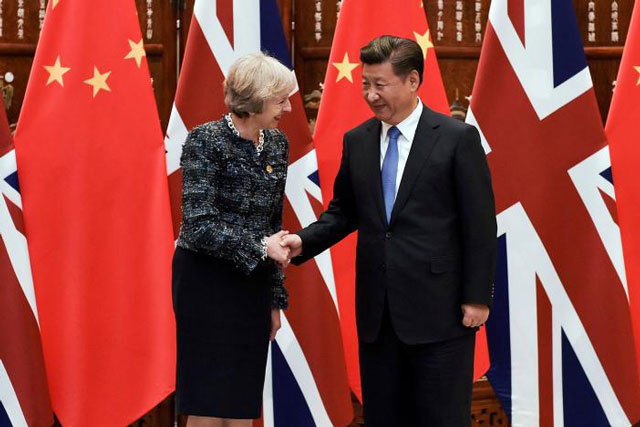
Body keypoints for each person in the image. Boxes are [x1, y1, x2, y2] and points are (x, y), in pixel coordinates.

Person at [281, 35, 497, 426]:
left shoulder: (456, 139)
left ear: (412, 81)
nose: (370, 94)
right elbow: (343, 213)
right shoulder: (358, 140)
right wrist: (301, 241)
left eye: (380, 85)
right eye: (365, 84)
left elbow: (479, 224)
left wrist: (477, 297)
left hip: (443, 313)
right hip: (378, 316)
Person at [172, 52, 295, 427]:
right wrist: (261, 246)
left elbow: (273, 224)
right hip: (205, 281)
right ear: (256, 99)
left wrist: (274, 300)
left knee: (242, 399)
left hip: (252, 283)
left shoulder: (276, 144)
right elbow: (199, 224)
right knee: (210, 399)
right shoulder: (205, 140)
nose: (288, 108)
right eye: (281, 99)